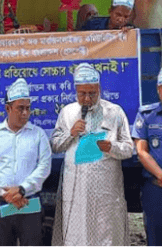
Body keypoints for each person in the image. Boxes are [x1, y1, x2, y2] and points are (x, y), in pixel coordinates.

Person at [50, 63, 133, 246]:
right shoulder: (67, 112)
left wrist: (111, 147)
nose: (87, 98)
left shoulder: (115, 112)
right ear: (76, 91)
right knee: (76, 236)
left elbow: (129, 148)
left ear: (99, 89)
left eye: (92, 93)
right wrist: (71, 133)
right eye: (82, 94)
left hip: (105, 193)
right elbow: (55, 146)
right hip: (76, 192)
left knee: (107, 234)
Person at [0, 78, 52, 246]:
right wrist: (8, 194)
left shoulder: (38, 134)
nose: (25, 113)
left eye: (28, 108)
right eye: (20, 108)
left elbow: (44, 167)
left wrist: (22, 189)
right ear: (8, 108)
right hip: (0, 201)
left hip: (29, 201)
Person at [132, 62, 162, 246]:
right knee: (156, 242)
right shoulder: (146, 115)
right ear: (158, 90)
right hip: (156, 190)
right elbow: (141, 152)